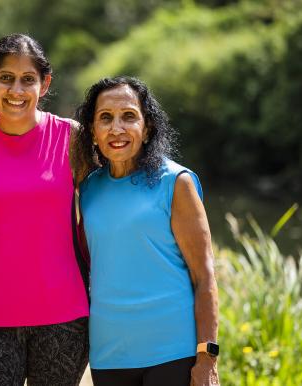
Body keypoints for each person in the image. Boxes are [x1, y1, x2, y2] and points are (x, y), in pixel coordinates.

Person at [0, 34, 90, 386]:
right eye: (6, 78)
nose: (17, 90)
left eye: (28, 79)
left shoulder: (72, 138)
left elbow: (102, 215)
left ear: (45, 84)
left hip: (65, 314)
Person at [71, 76, 220, 386]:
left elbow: (204, 275)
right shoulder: (87, 189)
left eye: (129, 116)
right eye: (105, 118)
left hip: (172, 352)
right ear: (93, 133)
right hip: (108, 354)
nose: (116, 128)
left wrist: (207, 359)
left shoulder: (176, 182)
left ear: (147, 127)